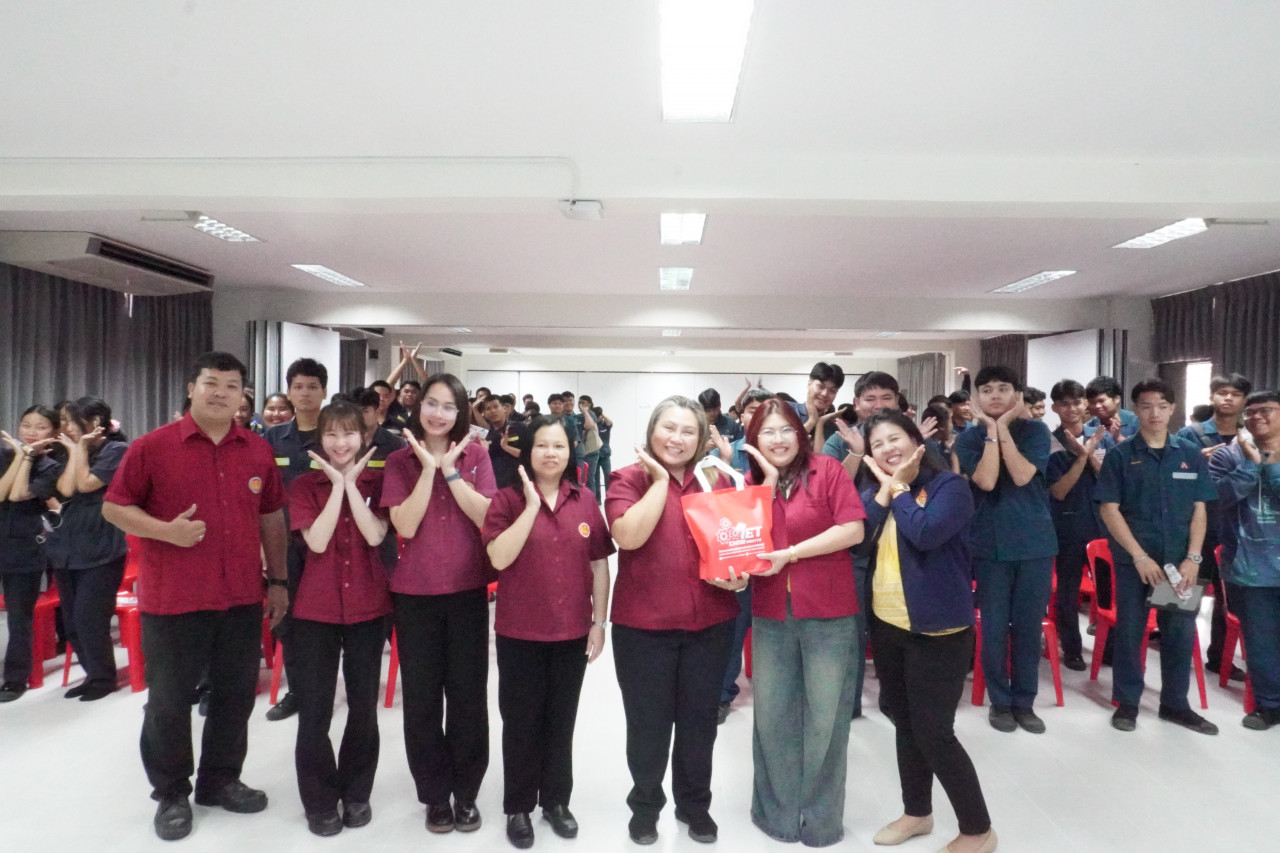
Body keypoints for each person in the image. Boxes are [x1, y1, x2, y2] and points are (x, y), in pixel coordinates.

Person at [102, 351, 289, 841]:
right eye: (211, 383)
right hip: (174, 599)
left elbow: (271, 516)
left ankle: (219, 780)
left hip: (239, 596)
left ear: (242, 395)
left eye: (231, 385)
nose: (220, 393)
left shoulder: (257, 450)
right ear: (191, 388)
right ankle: (171, 793)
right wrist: (166, 531)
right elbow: (115, 508)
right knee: (169, 701)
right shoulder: (152, 447)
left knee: (233, 696)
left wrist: (279, 581)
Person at [605, 396, 743, 846]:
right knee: (648, 725)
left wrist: (739, 577)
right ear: (651, 432)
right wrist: (661, 482)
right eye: (669, 428)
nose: (677, 439)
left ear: (701, 439)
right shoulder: (627, 478)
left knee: (699, 724)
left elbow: (736, 546)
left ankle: (694, 806)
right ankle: (645, 807)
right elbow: (627, 536)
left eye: (688, 431)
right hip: (643, 628)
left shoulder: (718, 479)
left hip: (710, 624)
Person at [859, 410, 997, 853]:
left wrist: (899, 488)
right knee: (904, 721)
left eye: (894, 438)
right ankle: (917, 812)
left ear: (916, 441)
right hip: (888, 624)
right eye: (877, 444)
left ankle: (978, 830)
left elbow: (926, 533)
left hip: (938, 628)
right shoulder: (876, 491)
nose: (887, 449)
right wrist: (886, 491)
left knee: (934, 732)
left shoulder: (949, 487)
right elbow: (859, 539)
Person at [483, 415, 614, 848]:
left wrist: (599, 623)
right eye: (542, 445)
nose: (551, 453)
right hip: (520, 632)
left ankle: (556, 801)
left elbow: (599, 565)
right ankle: (518, 805)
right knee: (520, 722)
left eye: (559, 445)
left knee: (561, 721)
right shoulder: (506, 500)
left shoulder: (585, 500)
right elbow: (499, 558)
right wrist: (531, 509)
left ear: (571, 450)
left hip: (571, 631)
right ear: (527, 451)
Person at [742, 400, 866, 847]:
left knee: (826, 719)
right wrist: (766, 486)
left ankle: (821, 820)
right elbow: (743, 544)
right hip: (771, 611)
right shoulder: (749, 484)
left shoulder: (827, 470)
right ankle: (775, 814)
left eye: (786, 430)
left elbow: (852, 529)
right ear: (753, 440)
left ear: (800, 433)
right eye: (767, 432)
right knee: (771, 716)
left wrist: (791, 554)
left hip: (829, 611)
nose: (777, 440)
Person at [381, 373, 496, 834]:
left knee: (468, 697)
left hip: (468, 590)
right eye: (431, 403)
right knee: (423, 700)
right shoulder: (398, 460)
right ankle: (434, 795)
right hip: (415, 596)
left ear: (460, 413)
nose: (438, 414)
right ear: (418, 405)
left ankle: (466, 792)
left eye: (449, 407)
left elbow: (487, 515)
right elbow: (405, 526)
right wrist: (428, 468)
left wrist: (450, 469)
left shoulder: (477, 456)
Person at [287, 400, 391, 836]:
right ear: (320, 439)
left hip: (369, 605)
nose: (340, 442)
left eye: (348, 433)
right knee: (314, 709)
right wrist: (337, 486)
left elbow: (375, 534)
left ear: (364, 437)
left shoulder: (379, 482)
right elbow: (317, 541)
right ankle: (319, 800)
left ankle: (357, 792)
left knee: (363, 707)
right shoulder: (302, 486)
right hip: (316, 609)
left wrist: (351, 485)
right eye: (330, 433)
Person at [1096, 378, 1218, 735]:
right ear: (1135, 410)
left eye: (1162, 406)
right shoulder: (1121, 455)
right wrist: (1138, 556)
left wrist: (1193, 558)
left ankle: (1175, 704)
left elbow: (1200, 509)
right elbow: (1109, 509)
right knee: (1130, 631)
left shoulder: (1189, 454)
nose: (1155, 413)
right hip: (1136, 563)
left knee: (1179, 632)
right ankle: (1127, 703)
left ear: (1172, 409)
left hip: (1179, 562)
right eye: (1147, 406)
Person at [953, 365, 1057, 734]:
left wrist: (1001, 429)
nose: (995, 395)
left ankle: (1024, 702)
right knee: (995, 628)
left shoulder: (1036, 431)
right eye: (987, 390)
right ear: (976, 398)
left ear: (1017, 395)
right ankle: (1000, 702)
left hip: (1034, 545)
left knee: (1028, 629)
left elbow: (1022, 475)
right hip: (989, 546)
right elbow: (986, 479)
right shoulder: (967, 440)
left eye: (1003, 388)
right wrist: (991, 431)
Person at [44, 397, 130, 701]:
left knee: (89, 618)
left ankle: (104, 679)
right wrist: (75, 450)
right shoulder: (67, 451)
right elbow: (66, 489)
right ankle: (93, 674)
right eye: (64, 421)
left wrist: (79, 450)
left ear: (93, 423)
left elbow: (85, 484)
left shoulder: (116, 450)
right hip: (66, 548)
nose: (65, 427)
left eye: (70, 421)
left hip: (102, 548)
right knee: (71, 623)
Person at [263, 357, 329, 722]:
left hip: (327, 545)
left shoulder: (336, 436)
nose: (305, 393)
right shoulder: (271, 440)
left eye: (312, 387)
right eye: (298, 386)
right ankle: (299, 691)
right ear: (289, 391)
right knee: (286, 620)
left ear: (324, 392)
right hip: (284, 545)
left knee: (324, 620)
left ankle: (323, 688)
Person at [1209, 390, 1280, 730]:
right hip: (1250, 566)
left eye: (1266, 410)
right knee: (1260, 642)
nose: (1257, 417)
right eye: (1250, 412)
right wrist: (1251, 465)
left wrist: (1271, 465)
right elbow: (1216, 499)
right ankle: (1269, 706)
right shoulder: (1227, 455)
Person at [1178, 373, 1252, 681]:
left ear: (1244, 401)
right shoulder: (1190, 434)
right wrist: (1196, 461)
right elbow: (1173, 478)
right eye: (1222, 392)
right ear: (1212, 397)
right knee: (1182, 593)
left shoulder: (1252, 436)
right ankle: (1174, 652)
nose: (1228, 398)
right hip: (1193, 528)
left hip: (1235, 530)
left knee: (1229, 599)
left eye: (1235, 394)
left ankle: (1220, 659)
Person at [707, 388, 773, 722]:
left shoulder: (784, 451)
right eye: (751, 409)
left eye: (765, 408)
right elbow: (712, 506)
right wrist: (726, 463)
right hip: (740, 556)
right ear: (740, 415)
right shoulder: (722, 452)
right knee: (733, 631)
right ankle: (721, 694)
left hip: (780, 556)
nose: (757, 414)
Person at [1045, 380, 1114, 671]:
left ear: (1085, 404)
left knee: (1108, 589)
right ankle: (1072, 649)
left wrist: (1092, 453)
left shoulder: (1100, 436)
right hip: (1068, 525)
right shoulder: (1050, 443)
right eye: (1064, 404)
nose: (1071, 409)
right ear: (1055, 408)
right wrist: (1081, 457)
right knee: (1068, 590)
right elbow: (1059, 491)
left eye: (1076, 402)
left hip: (1103, 524)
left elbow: (1111, 479)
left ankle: (1109, 648)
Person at [0, 405, 63, 703]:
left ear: (53, 433)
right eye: (26, 425)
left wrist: (24, 457)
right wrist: (18, 455)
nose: (31, 432)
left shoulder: (51, 468)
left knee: (19, 618)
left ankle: (15, 679)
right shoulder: (3, 455)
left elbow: (18, 494)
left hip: (25, 549)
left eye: (40, 427)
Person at [787, 362, 844, 444]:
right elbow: (785, 443)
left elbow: (823, 453)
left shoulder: (833, 429)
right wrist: (812, 421)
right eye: (820, 386)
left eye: (832, 391)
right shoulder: (787, 410)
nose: (824, 394)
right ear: (809, 383)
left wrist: (820, 423)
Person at [480, 394, 525, 489]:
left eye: (496, 406)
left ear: (504, 408)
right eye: (488, 409)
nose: (492, 411)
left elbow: (528, 455)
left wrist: (506, 447)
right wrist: (484, 452)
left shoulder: (519, 427)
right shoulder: (486, 436)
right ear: (484, 413)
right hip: (497, 485)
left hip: (520, 483)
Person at [1085, 375, 1140, 440]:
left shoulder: (1137, 422)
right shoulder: (1089, 426)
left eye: (1101, 401)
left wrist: (1118, 437)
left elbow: (1143, 446)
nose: (1097, 406)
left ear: (1116, 399)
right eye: (1092, 402)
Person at [574, 395, 602, 500]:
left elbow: (589, 425)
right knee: (582, 478)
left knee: (589, 478)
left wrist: (585, 410)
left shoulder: (591, 413)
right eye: (579, 402)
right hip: (583, 451)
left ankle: (591, 503)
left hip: (592, 451)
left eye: (583, 402)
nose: (580, 405)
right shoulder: (578, 416)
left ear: (589, 404)